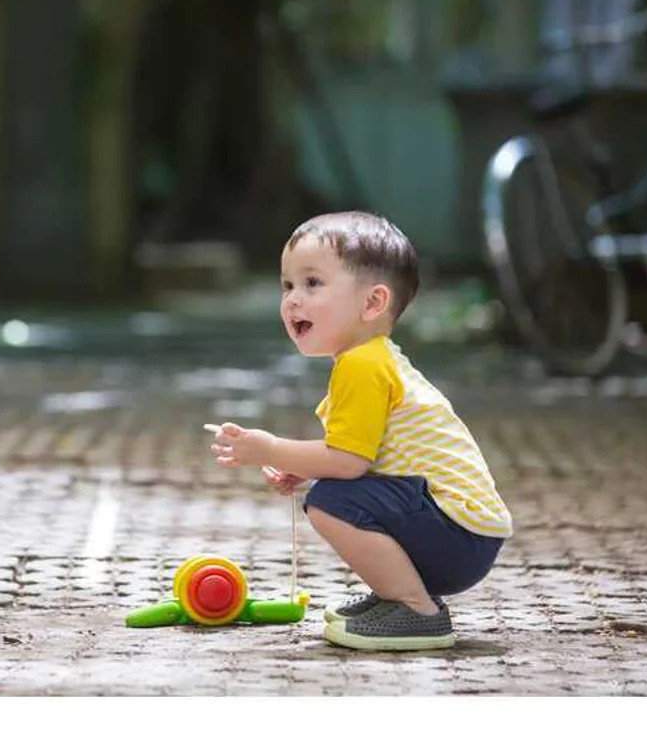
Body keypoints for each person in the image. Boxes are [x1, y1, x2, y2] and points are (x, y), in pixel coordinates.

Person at [207, 211, 512, 650]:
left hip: (458, 537)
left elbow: (348, 463)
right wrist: (304, 468)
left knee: (331, 501)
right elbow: (371, 453)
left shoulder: (362, 365)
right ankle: (397, 594)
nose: (293, 300)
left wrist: (270, 448)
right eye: (288, 285)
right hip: (464, 533)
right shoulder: (372, 358)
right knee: (336, 493)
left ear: (372, 303)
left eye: (313, 283)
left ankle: (416, 609)